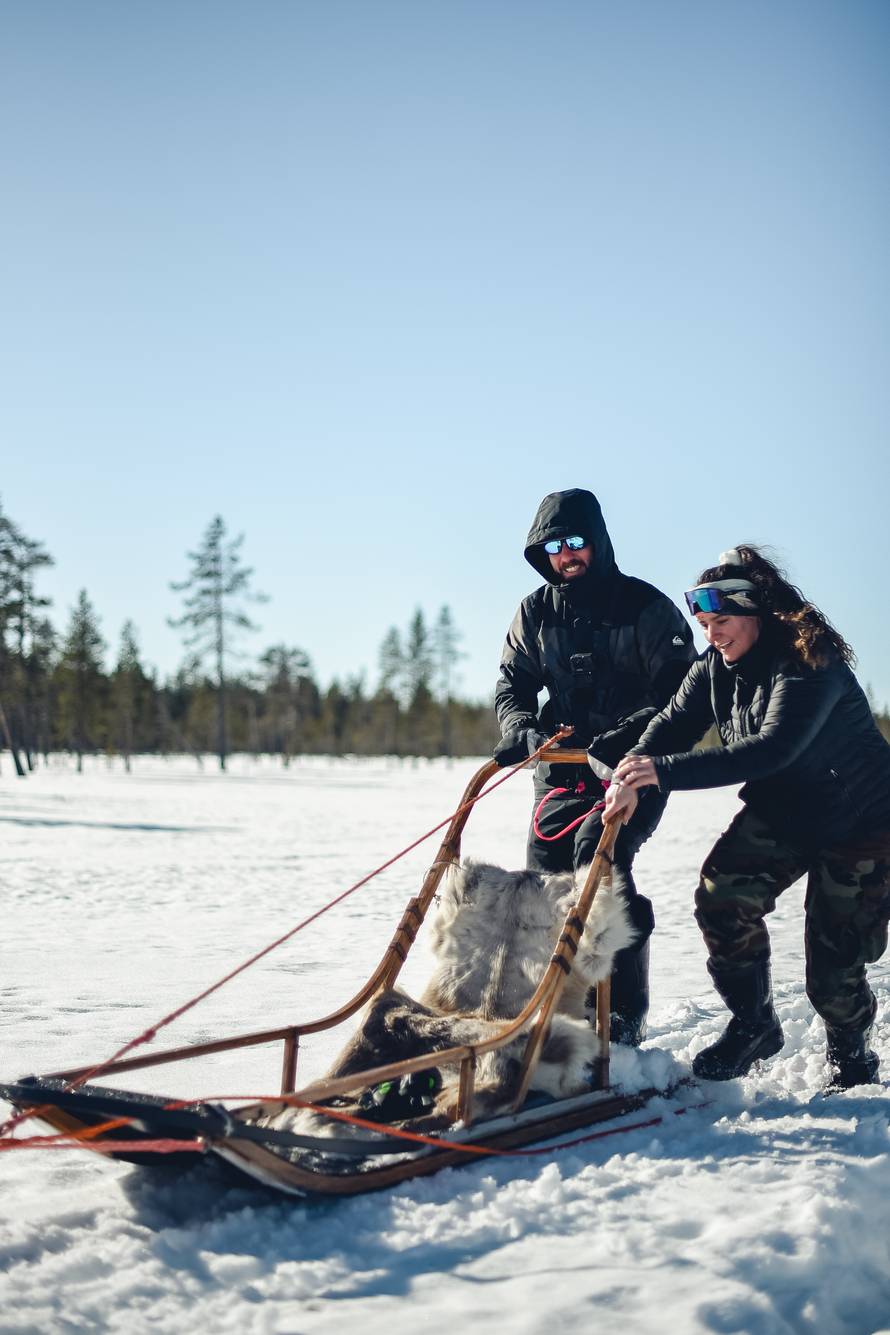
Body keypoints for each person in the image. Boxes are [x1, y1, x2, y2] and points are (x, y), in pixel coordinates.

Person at [604, 545, 890, 1089]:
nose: (713, 635)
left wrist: (657, 772)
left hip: (864, 825)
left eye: (724, 621)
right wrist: (630, 775)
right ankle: (755, 1025)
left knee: (832, 972)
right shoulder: (714, 667)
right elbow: (670, 725)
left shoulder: (810, 660)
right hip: (786, 812)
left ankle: (853, 1062)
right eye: (705, 624)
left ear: (756, 614)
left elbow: (769, 749)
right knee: (722, 899)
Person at [493, 487, 697, 1044]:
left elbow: (685, 698)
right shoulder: (535, 612)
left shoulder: (647, 608)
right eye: (554, 546)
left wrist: (624, 738)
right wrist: (520, 728)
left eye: (576, 541)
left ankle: (623, 1014)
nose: (567, 554)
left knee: (599, 860)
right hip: (559, 770)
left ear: (599, 543)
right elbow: (512, 685)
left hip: (634, 768)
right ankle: (555, 1010)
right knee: (544, 884)